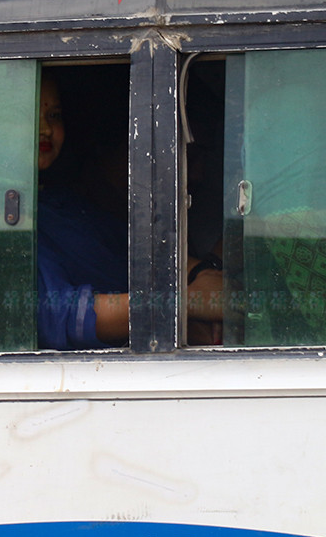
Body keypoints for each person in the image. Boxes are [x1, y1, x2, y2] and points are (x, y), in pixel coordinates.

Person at [36, 76, 225, 349]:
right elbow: (58, 314)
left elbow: (138, 255)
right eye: (27, 113)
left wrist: (204, 273)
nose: (44, 128)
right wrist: (183, 303)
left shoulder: (63, 205)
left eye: (54, 115)